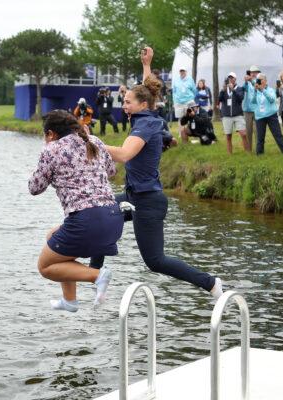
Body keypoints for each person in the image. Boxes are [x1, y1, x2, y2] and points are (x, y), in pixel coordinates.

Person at [91, 47, 223, 299]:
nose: (124, 105)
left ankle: (211, 283)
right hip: (133, 196)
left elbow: (124, 154)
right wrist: (147, 65)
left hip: (148, 201)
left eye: (128, 102)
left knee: (155, 261)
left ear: (142, 105)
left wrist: (92, 141)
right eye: (125, 101)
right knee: (100, 213)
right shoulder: (144, 112)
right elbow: (146, 90)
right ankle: (95, 276)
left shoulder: (149, 124)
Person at [28, 110, 124, 312]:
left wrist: (47, 158)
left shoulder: (52, 149)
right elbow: (112, 171)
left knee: (45, 266)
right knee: (53, 237)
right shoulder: (94, 141)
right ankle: (69, 300)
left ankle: (97, 275)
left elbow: (34, 188)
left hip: (86, 221)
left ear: (51, 134)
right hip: (113, 217)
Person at [251, 73, 283, 155]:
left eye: (261, 79)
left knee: (278, 135)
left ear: (265, 81)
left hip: (271, 115)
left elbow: (272, 99)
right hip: (260, 116)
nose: (259, 81)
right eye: (258, 80)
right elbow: (253, 101)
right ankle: (260, 154)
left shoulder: (270, 90)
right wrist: (255, 91)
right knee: (260, 137)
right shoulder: (255, 90)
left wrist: (263, 90)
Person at [219, 72, 249, 153]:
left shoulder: (239, 88)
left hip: (238, 115)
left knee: (243, 134)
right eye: (229, 78)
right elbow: (219, 99)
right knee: (228, 136)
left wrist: (233, 90)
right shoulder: (225, 89)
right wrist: (222, 90)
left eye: (232, 78)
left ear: (235, 79)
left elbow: (241, 98)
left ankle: (248, 153)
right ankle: (229, 154)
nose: (231, 79)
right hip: (226, 115)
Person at [173, 67, 197, 142]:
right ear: (179, 72)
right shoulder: (176, 80)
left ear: (186, 71)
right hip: (178, 102)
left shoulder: (190, 79)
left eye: (183, 71)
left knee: (190, 117)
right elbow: (174, 91)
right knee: (180, 118)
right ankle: (181, 134)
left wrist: (191, 99)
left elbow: (194, 90)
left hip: (188, 101)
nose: (182, 72)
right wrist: (175, 101)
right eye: (181, 71)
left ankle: (192, 133)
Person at [243, 65, 261, 152]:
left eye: (255, 72)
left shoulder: (260, 82)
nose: (253, 74)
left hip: (257, 110)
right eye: (252, 72)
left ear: (258, 73)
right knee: (248, 131)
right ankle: (249, 150)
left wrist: (252, 81)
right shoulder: (246, 83)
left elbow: (260, 89)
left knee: (257, 131)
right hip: (247, 110)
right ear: (249, 73)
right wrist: (246, 82)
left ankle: (259, 150)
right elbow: (244, 89)